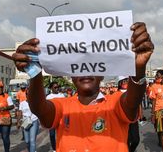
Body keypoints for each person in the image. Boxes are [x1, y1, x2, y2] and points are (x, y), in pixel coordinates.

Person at [12, 22, 154, 152]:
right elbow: (39, 108)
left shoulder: (115, 103)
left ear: (102, 74)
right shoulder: (61, 106)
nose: (86, 71)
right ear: (71, 76)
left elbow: (133, 100)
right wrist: (34, 72)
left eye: (92, 66)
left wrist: (139, 69)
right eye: (79, 67)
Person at [0, 81, 15, 152]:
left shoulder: (6, 96)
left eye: (1, 87)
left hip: (5, 119)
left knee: (5, 137)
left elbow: (12, 106)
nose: (0, 89)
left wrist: (5, 108)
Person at [118, 76, 140, 152]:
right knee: (126, 140)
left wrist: (141, 114)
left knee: (136, 140)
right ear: (120, 83)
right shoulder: (116, 94)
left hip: (133, 119)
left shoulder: (132, 92)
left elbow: (138, 104)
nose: (125, 82)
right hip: (122, 121)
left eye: (127, 80)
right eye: (123, 81)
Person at [46, 81, 66, 152]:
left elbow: (65, 106)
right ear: (51, 88)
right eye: (55, 87)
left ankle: (61, 147)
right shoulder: (48, 97)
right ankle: (54, 149)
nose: (57, 89)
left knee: (61, 134)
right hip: (52, 118)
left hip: (61, 118)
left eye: (58, 87)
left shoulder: (62, 95)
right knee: (52, 134)